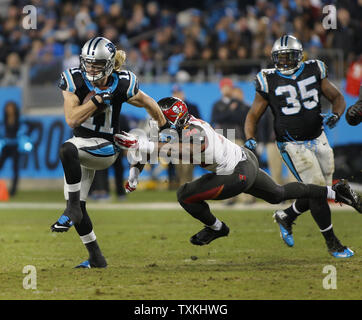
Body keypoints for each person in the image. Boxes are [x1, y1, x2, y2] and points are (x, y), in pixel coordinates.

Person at [114, 96, 362, 258]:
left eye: (161, 117)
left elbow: (186, 149)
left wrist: (144, 144)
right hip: (243, 160)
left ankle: (217, 228)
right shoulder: (174, 127)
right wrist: (135, 173)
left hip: (236, 172)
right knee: (277, 194)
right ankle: (335, 192)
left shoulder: (194, 130)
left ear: (175, 119)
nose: (156, 121)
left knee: (184, 195)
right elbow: (149, 150)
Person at [50, 36, 167, 269]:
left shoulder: (122, 83)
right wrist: (96, 102)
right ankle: (96, 257)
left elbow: (148, 102)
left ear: (110, 64)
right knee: (80, 204)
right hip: (83, 145)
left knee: (66, 150)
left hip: (106, 148)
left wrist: (163, 127)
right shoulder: (74, 79)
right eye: (88, 63)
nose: (91, 68)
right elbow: (72, 118)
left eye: (96, 64)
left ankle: (71, 208)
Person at [244, 35, 348, 250]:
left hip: (318, 137)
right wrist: (250, 138)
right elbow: (253, 115)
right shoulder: (267, 79)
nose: (284, 62)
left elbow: (337, 97)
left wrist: (336, 115)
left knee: (321, 190)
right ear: (273, 58)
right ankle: (333, 244)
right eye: (280, 58)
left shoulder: (315, 69)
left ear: (299, 56)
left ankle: (286, 215)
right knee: (318, 190)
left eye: (289, 57)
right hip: (291, 143)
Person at [171, 84, 200, 187]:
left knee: (188, 168)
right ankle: (184, 189)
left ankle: (187, 190)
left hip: (189, 142)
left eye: (178, 93)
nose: (177, 96)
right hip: (176, 142)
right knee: (179, 168)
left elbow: (198, 124)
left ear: (182, 94)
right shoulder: (170, 110)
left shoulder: (192, 107)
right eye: (174, 94)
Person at [0, 101, 20, 196]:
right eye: (8, 108)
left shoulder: (19, 120)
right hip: (6, 146)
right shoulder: (4, 120)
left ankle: (13, 191)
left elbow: (22, 131)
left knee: (15, 169)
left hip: (15, 146)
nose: (10, 110)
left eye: (11, 108)